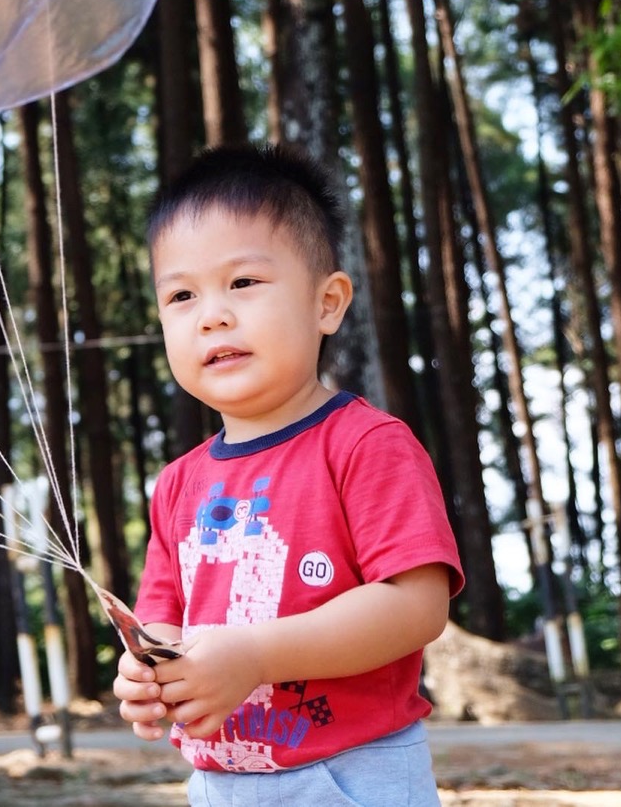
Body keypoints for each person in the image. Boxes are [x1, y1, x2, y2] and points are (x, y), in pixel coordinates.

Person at [114, 142, 464, 805]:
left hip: (352, 772)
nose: (212, 312)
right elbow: (162, 618)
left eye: (243, 282)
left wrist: (254, 654)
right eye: (181, 294)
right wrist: (148, 668)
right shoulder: (178, 484)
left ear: (327, 303)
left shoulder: (365, 445)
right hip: (219, 781)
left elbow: (417, 604)